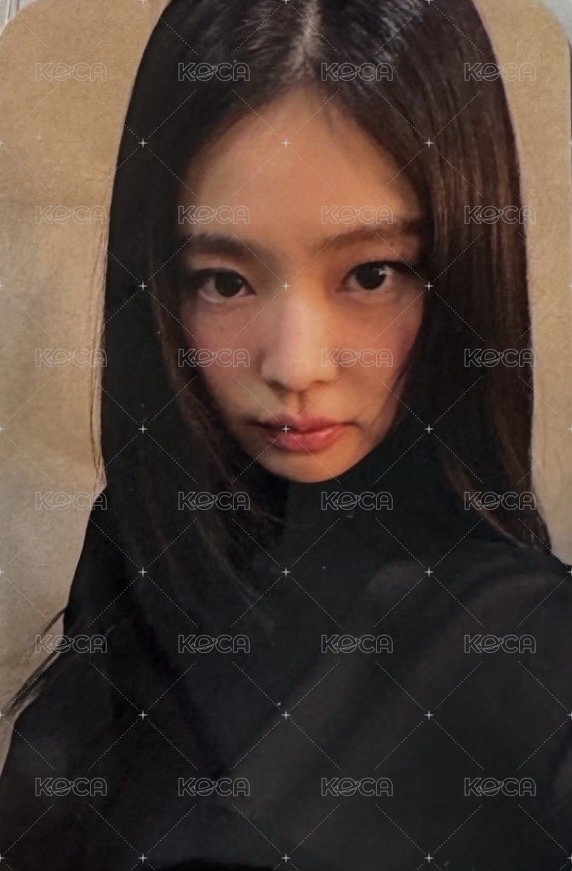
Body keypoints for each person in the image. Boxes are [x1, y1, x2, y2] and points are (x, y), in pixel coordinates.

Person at [0, 0, 570, 867]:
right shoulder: (140, 541)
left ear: (461, 269)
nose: (295, 364)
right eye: (225, 281)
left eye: (371, 274)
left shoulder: (529, 647)